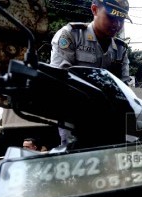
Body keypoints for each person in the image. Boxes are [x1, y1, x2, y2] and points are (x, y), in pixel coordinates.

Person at [50, 0, 131, 146]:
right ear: (94, 10)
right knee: (74, 159)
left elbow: (125, 89)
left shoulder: (121, 49)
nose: (117, 25)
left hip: (107, 121)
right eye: (112, 17)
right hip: (74, 118)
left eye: (121, 20)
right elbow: (59, 79)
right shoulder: (71, 35)